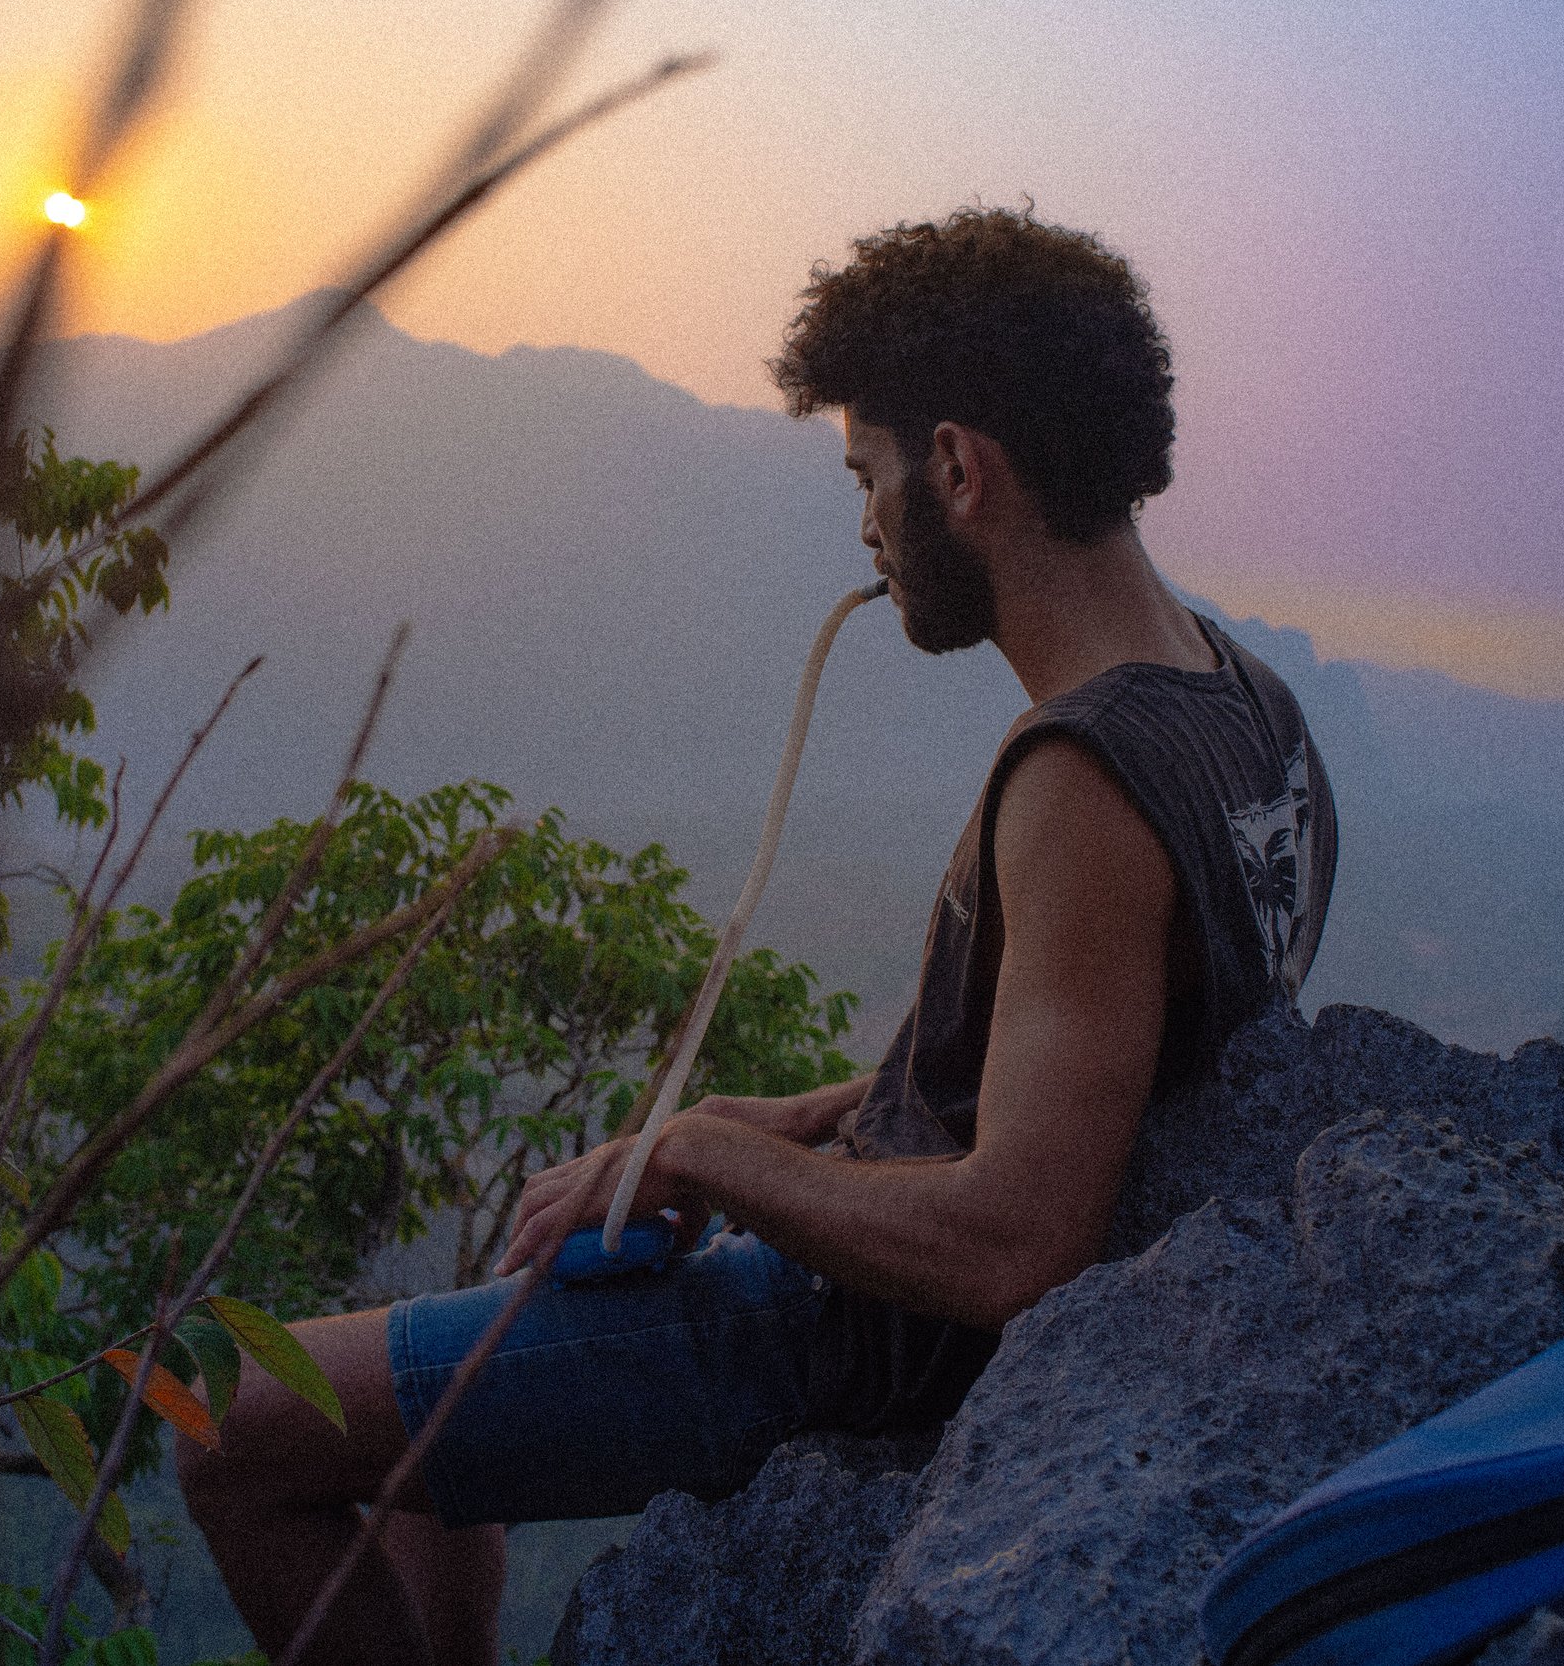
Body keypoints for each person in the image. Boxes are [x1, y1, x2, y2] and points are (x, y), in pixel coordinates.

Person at [178, 206, 1338, 1666]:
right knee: (442, 1346)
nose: (865, 525)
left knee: (233, 1425)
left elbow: (1020, 1240)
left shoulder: (1082, 782)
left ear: (961, 470)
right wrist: (759, 1113)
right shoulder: (1249, 706)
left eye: (870, 475)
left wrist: (702, 1155)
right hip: (891, 1278)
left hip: (846, 1340)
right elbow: (1089, 1063)